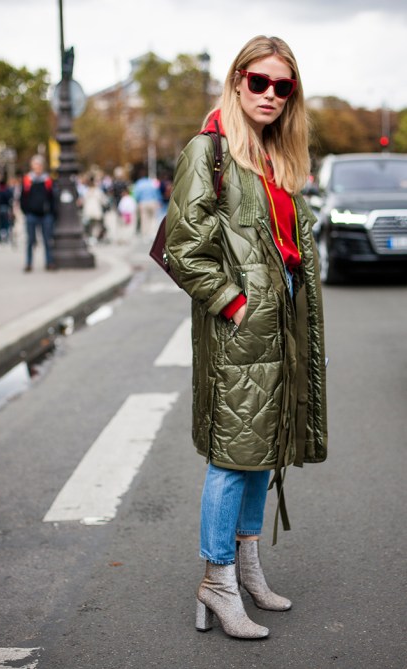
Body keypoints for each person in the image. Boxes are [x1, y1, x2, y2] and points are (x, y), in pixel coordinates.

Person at [165, 35, 327, 640]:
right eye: (259, 81)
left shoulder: (274, 155)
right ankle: (217, 577)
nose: (270, 94)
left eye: (283, 86)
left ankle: (247, 567)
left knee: (264, 451)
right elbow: (184, 246)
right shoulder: (208, 150)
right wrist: (234, 303)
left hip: (281, 322)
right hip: (241, 325)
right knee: (232, 458)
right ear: (237, 81)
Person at [20, 154, 56, 272]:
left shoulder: (47, 180)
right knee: (30, 240)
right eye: (35, 165)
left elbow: (52, 197)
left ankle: (49, 262)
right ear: (32, 166)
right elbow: (22, 197)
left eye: (39, 165)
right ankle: (28, 263)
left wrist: (51, 212)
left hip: (45, 215)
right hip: (31, 214)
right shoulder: (27, 180)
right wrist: (26, 211)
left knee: (47, 240)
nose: (38, 167)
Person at [132, 170, 161, 240]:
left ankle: (145, 234)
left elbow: (136, 194)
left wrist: (136, 201)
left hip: (143, 202)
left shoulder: (139, 183)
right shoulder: (151, 182)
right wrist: (159, 201)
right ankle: (153, 233)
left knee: (144, 219)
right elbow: (156, 192)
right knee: (153, 218)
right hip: (153, 202)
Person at [81, 175, 109, 244]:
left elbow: (83, 200)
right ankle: (94, 237)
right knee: (96, 225)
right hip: (96, 210)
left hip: (88, 211)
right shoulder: (97, 191)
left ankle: (91, 237)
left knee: (90, 225)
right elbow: (104, 200)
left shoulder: (86, 191)